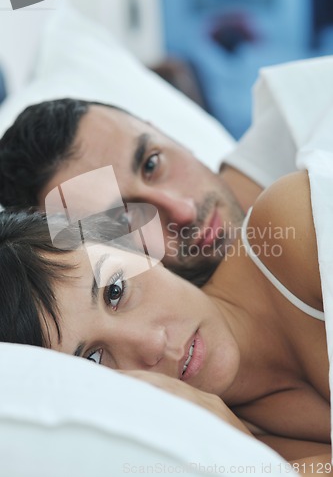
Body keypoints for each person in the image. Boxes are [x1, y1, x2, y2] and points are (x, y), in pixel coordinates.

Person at [0, 168, 330, 466]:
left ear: (134, 245)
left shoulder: (296, 227)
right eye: (93, 360)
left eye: (115, 291)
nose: (153, 344)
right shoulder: (213, 453)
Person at [0, 98, 269, 286]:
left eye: (152, 163)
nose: (183, 211)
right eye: (123, 221)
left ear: (164, 133)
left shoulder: (298, 130)